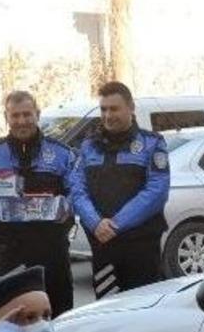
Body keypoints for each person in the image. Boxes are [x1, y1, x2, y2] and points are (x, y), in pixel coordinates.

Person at [0, 90, 76, 316]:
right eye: (15, 116)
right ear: (6, 117)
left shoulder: (60, 153)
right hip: (9, 250)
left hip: (52, 248)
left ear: (37, 114)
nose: (21, 121)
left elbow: (77, 192)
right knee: (15, 314)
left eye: (27, 114)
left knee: (59, 312)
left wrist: (67, 206)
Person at [68, 81, 170, 298]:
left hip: (141, 248)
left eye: (114, 109)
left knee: (142, 314)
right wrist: (95, 223)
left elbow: (157, 191)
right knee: (107, 315)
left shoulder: (152, 143)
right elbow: (77, 189)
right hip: (104, 246)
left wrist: (116, 224)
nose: (107, 115)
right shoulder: (89, 146)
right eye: (103, 109)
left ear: (131, 108)